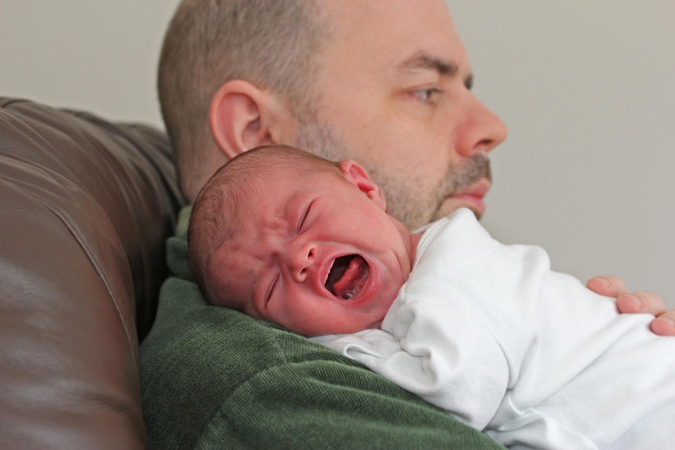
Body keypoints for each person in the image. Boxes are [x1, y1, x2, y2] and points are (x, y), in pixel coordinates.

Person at [141, 0, 675, 447]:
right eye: (425, 89)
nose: (492, 128)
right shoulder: (268, 383)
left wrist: (613, 370)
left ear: (362, 185)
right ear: (257, 129)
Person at [188, 145, 675, 449]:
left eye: (304, 217)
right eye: (270, 286)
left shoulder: (455, 265)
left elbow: (459, 391)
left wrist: (343, 347)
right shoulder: (262, 375)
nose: (300, 257)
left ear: (363, 187)